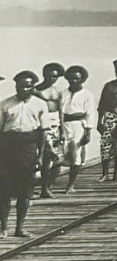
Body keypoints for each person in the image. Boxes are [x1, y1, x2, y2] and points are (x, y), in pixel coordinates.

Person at [1, 71, 49, 237]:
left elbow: (43, 132)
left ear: (33, 87)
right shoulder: (5, 104)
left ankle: (19, 228)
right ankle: (4, 228)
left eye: (28, 86)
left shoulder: (40, 105)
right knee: (4, 190)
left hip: (28, 147)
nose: (24, 89)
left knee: (25, 191)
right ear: (16, 86)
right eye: (20, 86)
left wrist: (41, 156)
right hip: (7, 148)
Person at [59, 65, 96, 193]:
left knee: (76, 156)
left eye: (77, 79)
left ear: (82, 79)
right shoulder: (62, 93)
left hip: (78, 126)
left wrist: (88, 132)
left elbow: (90, 113)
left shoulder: (87, 95)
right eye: (71, 78)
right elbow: (59, 112)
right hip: (63, 126)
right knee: (59, 155)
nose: (74, 81)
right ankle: (48, 186)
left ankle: (70, 185)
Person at [34, 62, 66, 199]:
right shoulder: (36, 91)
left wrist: (63, 129)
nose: (52, 78)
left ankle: (49, 185)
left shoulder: (57, 91)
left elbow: (61, 111)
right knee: (47, 157)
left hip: (56, 123)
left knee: (58, 159)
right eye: (50, 76)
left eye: (55, 76)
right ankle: (44, 188)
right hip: (43, 123)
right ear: (44, 74)